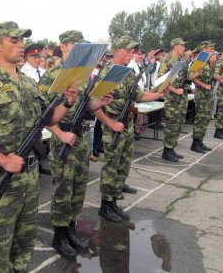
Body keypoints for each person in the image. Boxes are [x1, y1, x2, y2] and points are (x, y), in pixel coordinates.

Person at [0, 21, 78, 273]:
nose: (21, 45)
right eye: (14, 40)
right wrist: (2, 160)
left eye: (22, 40)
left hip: (30, 175)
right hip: (4, 177)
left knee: (25, 242)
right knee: (1, 248)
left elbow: (48, 119)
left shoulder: (27, 83)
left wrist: (67, 102)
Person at [38, 30, 112, 260]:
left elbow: (86, 105)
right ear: (64, 46)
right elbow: (42, 114)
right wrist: (59, 133)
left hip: (79, 141)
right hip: (64, 142)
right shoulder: (52, 76)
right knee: (63, 190)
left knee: (79, 188)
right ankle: (59, 235)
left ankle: (71, 229)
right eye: (76, 45)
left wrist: (100, 102)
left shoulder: (83, 75)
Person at [95, 36, 164, 223]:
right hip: (113, 127)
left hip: (127, 124)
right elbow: (95, 105)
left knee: (123, 164)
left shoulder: (128, 72)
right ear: (117, 50)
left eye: (133, 51)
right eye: (129, 50)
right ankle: (105, 205)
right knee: (111, 166)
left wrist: (157, 94)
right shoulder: (108, 72)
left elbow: (138, 95)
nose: (132, 54)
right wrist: (110, 123)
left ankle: (114, 201)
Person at [160, 38, 189, 162]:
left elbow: (185, 77)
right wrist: (175, 90)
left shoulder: (181, 61)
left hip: (182, 97)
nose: (184, 48)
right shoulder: (167, 60)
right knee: (171, 124)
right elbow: (161, 80)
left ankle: (172, 148)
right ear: (175, 46)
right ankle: (167, 150)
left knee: (178, 124)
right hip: (172, 98)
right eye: (182, 46)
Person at [188, 41, 217, 153]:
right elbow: (191, 77)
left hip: (208, 94)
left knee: (206, 118)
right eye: (210, 48)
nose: (212, 50)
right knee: (200, 118)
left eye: (212, 49)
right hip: (201, 94)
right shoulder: (199, 61)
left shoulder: (209, 62)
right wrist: (204, 85)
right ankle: (195, 143)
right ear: (204, 49)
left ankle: (200, 141)